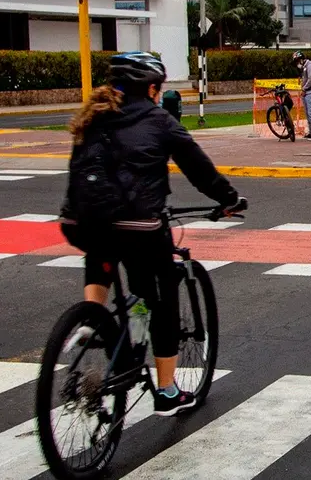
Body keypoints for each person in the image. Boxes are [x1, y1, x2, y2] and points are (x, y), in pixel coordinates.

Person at [62, 51, 245, 417]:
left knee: (101, 244)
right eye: (159, 88)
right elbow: (197, 166)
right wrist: (227, 199)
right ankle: (166, 390)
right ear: (150, 88)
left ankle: (93, 318)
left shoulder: (91, 116)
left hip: (78, 222)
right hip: (140, 227)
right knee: (161, 303)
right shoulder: (159, 120)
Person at [292, 51, 311, 140]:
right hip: (306, 93)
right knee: (308, 114)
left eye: (297, 61)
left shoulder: (310, 66)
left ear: (301, 59)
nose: (297, 64)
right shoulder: (304, 67)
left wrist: (304, 88)